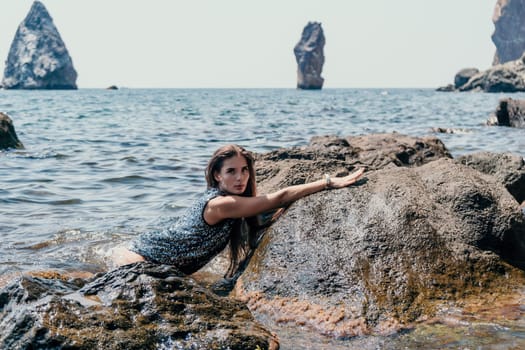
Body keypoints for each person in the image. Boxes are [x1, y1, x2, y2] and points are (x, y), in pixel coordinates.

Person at [113, 144, 365, 279]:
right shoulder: (222, 204)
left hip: (157, 263)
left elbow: (268, 210)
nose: (240, 177)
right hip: (142, 259)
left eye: (244, 170)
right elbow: (279, 196)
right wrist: (329, 182)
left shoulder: (231, 201)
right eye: (231, 171)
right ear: (217, 175)